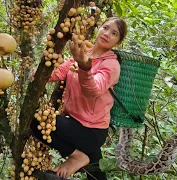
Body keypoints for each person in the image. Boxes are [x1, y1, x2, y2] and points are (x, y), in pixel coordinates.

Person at [31, 17, 127, 179]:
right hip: (75, 123)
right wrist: (38, 75)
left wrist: (84, 67)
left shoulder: (112, 65)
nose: (107, 34)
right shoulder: (84, 53)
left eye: (114, 33)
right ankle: (83, 158)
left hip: (91, 130)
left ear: (117, 42)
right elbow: (60, 72)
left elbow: (93, 90)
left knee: (38, 121)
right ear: (99, 28)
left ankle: (77, 157)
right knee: (96, 173)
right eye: (105, 28)